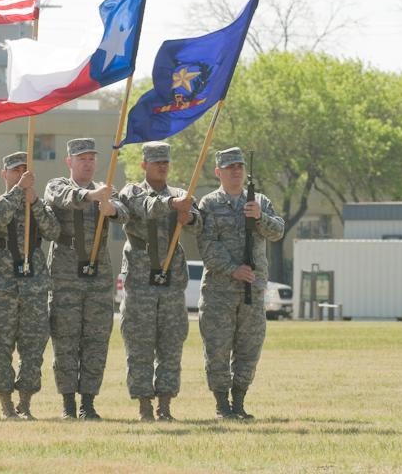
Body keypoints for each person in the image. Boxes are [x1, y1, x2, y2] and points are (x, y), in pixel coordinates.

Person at [44, 138, 130, 420]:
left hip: (98, 274)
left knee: (95, 339)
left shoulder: (106, 190)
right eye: (82, 158)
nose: (88, 163)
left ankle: (88, 403)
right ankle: (69, 404)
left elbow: (124, 212)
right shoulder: (57, 185)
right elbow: (63, 198)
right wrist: (92, 198)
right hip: (65, 272)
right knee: (66, 338)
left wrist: (113, 209)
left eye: (92, 158)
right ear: (69, 161)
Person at [197, 146, 284, 420]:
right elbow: (207, 245)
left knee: (249, 347)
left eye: (239, 166)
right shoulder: (209, 204)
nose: (236, 171)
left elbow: (277, 231)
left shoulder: (259, 201)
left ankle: (239, 402)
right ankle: (222, 404)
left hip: (252, 291)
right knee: (218, 348)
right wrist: (233, 270)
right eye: (230, 167)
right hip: (219, 291)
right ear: (218, 172)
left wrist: (260, 216)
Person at [118, 141, 200, 421]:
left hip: (171, 283)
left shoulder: (181, 194)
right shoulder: (132, 191)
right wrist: (172, 204)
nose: (162, 166)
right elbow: (145, 208)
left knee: (171, 345)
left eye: (165, 162)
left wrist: (189, 216)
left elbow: (199, 222)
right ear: (144, 165)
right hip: (141, 282)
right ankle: (144, 407)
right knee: (139, 346)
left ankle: (165, 406)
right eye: (156, 162)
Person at [0, 151, 60, 420]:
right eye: (15, 170)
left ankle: (25, 404)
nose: (20, 174)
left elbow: (53, 231)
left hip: (34, 287)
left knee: (33, 346)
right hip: (3, 288)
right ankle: (5, 404)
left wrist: (34, 201)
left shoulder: (38, 204)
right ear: (5, 174)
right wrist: (18, 192)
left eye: (24, 171)